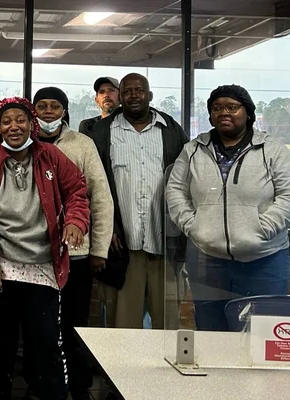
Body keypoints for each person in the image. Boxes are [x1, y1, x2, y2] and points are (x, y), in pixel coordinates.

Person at [0, 96, 90, 400]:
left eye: (20, 120)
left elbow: (77, 189)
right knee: (1, 347)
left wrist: (75, 221)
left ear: (32, 124)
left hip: (43, 267)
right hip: (1, 268)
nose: (14, 126)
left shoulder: (50, 156)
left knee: (46, 344)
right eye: (7, 121)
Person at [166, 85, 290, 331]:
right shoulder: (193, 150)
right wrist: (193, 226)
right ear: (210, 116)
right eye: (217, 108)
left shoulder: (271, 149)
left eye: (232, 107)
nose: (224, 113)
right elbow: (175, 191)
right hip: (206, 260)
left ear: (248, 113)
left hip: (264, 260)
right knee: (211, 332)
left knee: (261, 333)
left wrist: (263, 228)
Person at [88, 73, 188, 329]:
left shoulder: (171, 130)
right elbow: (91, 185)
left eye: (139, 90)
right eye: (127, 91)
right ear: (120, 97)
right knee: (123, 325)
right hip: (122, 245)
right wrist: (106, 227)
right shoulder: (102, 132)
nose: (133, 95)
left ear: (149, 95)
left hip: (164, 243)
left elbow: (186, 181)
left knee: (168, 324)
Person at [33, 87, 113, 400]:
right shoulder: (24, 143)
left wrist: (99, 249)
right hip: (33, 255)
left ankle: (79, 388)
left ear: (64, 111)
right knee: (40, 327)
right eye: (42, 106)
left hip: (76, 254)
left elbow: (100, 196)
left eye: (54, 106)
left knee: (74, 325)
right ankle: (42, 387)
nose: (48, 112)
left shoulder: (82, 144)